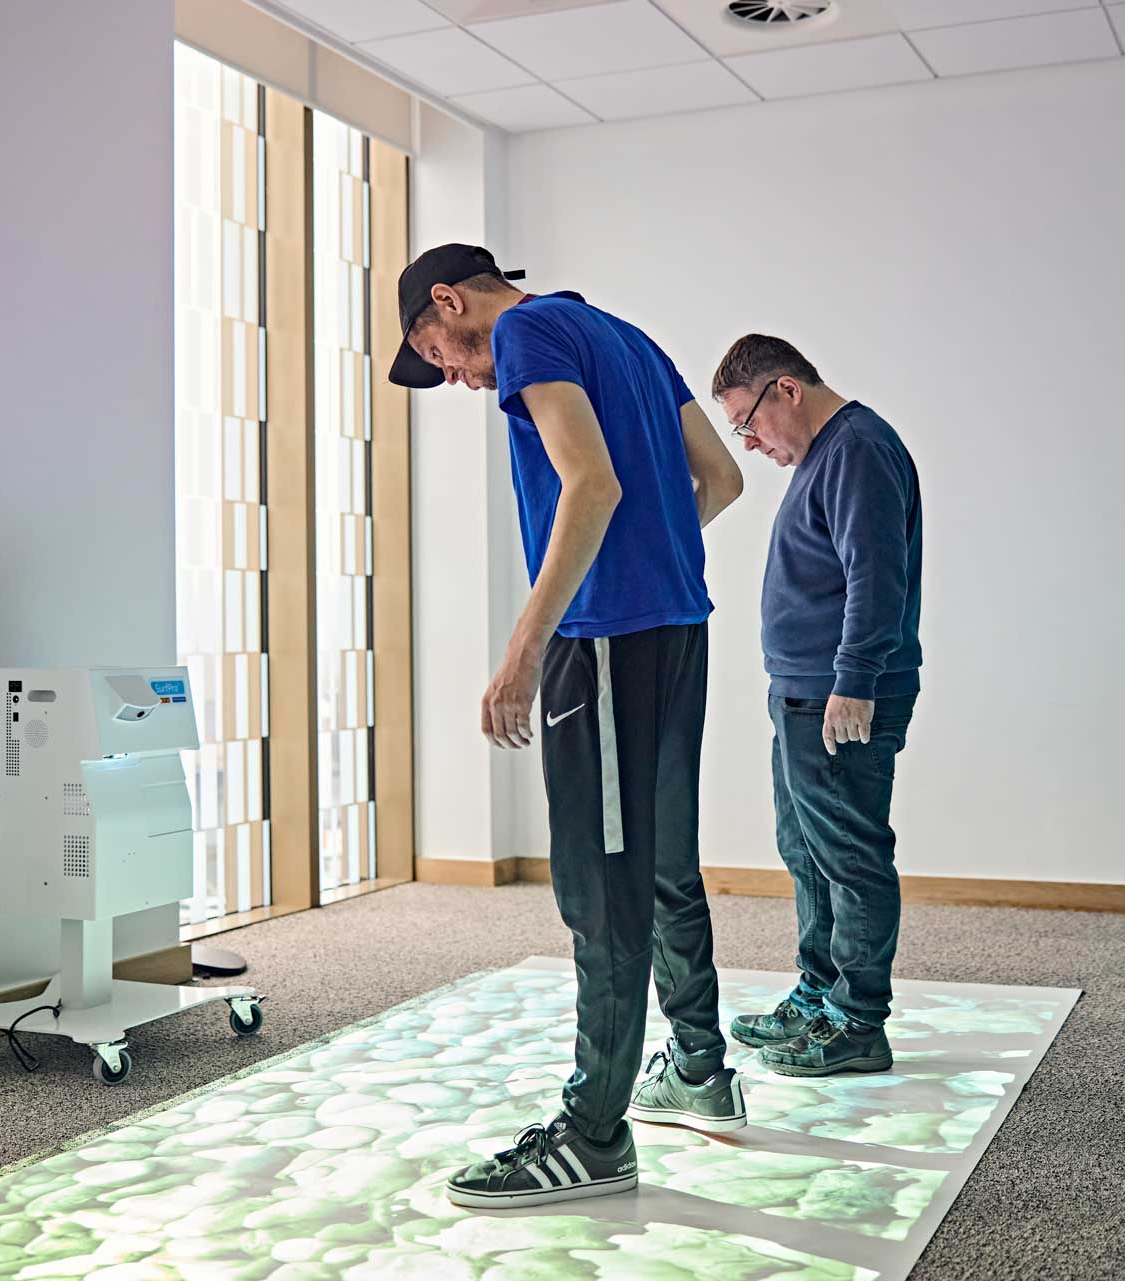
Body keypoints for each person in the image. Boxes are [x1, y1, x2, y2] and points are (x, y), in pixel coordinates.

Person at [388, 244, 748, 1208]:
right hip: (677, 628)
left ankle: (594, 1133)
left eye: (442, 354)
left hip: (602, 645)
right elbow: (719, 479)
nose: (463, 377)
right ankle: (703, 1064)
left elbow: (591, 485)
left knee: (601, 886)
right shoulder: (629, 338)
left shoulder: (527, 329)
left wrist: (525, 647)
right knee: (666, 857)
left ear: (448, 301)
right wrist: (648, 559)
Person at [711, 334, 924, 1077]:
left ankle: (859, 1019)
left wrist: (855, 678)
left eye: (749, 422)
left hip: (841, 692)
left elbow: (877, 575)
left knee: (849, 852)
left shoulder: (857, 448)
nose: (750, 442)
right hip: (802, 690)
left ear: (787, 390)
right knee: (805, 848)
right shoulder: (823, 456)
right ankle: (820, 991)